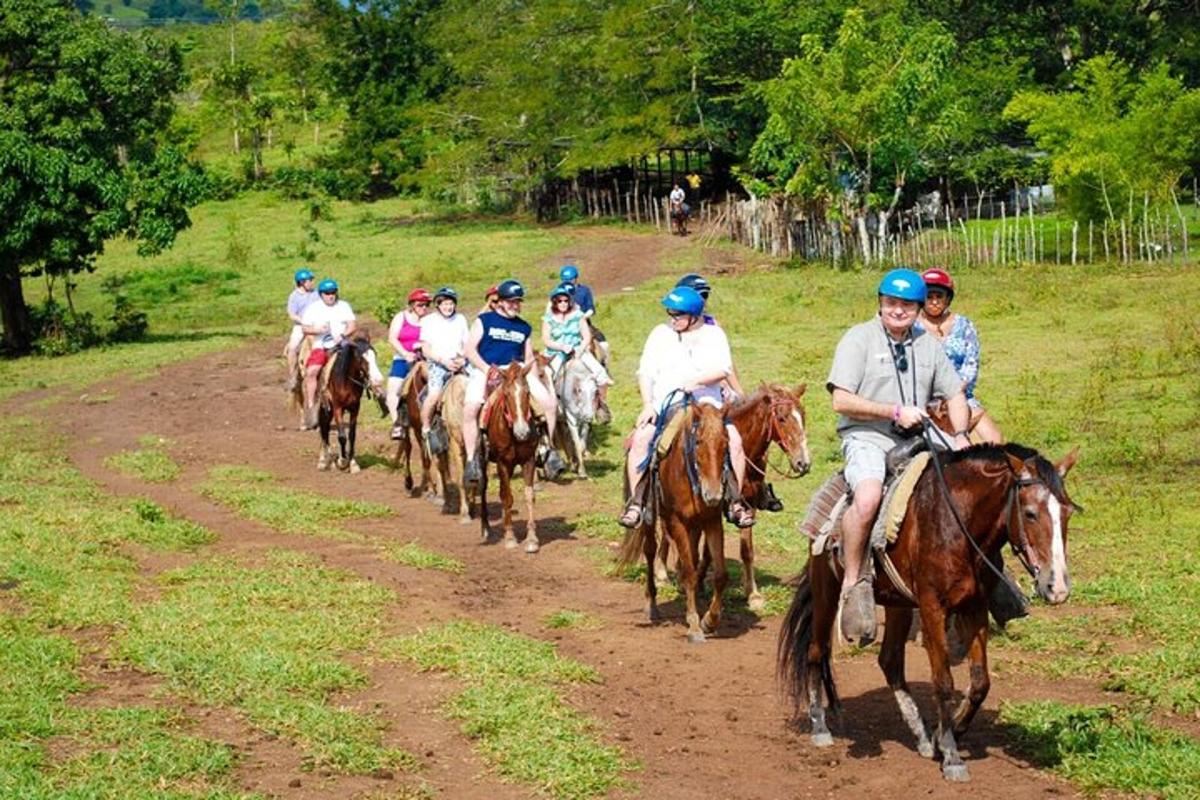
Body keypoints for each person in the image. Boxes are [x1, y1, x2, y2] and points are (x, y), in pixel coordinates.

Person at [826, 268, 971, 645]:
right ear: (880, 303)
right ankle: (853, 582)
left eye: (907, 305)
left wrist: (959, 434)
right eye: (891, 302)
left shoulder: (928, 344)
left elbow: (955, 394)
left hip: (919, 433)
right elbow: (840, 399)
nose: (897, 310)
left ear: (920, 308)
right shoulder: (858, 339)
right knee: (870, 494)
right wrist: (892, 411)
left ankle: (986, 579)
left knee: (967, 488)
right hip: (868, 435)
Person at [617, 286, 756, 529]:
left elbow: (723, 368)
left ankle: (735, 501)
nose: (672, 320)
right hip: (666, 404)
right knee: (641, 440)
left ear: (693, 316)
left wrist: (698, 382)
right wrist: (648, 404)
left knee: (734, 441)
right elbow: (645, 371)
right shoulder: (659, 334)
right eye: (670, 314)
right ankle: (636, 503)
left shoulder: (714, 335)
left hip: (707, 406)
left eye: (678, 315)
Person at [462, 279, 567, 483]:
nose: (515, 305)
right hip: (488, 368)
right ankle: (471, 460)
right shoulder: (484, 320)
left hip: (518, 372)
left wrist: (534, 377)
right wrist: (486, 369)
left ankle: (549, 451)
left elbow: (528, 357)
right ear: (500, 302)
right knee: (470, 408)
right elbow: (469, 350)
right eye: (510, 301)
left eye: (518, 301)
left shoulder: (524, 327)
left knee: (550, 404)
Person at [918, 268, 1002, 444]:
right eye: (929, 296)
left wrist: (955, 392)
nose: (934, 301)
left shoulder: (964, 325)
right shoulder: (913, 327)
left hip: (961, 394)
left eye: (939, 297)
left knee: (994, 440)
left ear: (947, 298)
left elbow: (971, 364)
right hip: (924, 398)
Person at [299, 278, 382, 429]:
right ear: (321, 294)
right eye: (327, 293)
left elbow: (352, 325)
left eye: (333, 292)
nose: (331, 296)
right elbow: (305, 328)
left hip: (342, 344)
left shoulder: (343, 306)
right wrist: (318, 330)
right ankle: (311, 404)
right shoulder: (313, 308)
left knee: (363, 359)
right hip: (322, 346)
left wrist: (343, 335)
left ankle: (378, 393)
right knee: (312, 371)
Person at [542, 283, 613, 410]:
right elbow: (546, 340)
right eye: (559, 301)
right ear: (555, 302)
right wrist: (561, 347)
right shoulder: (548, 319)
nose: (563, 303)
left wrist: (580, 349)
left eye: (566, 300)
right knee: (549, 376)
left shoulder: (578, 316)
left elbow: (586, 336)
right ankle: (554, 407)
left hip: (577, 349)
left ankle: (601, 405)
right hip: (557, 352)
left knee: (600, 373)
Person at [675, 273, 746, 399]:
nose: (702, 300)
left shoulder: (713, 326)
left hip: (711, 385)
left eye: (704, 296)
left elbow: (725, 363)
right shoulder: (673, 329)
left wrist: (739, 392)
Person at [418, 286, 471, 444]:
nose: (448, 307)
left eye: (451, 304)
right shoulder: (428, 321)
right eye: (445, 304)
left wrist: (463, 359)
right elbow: (425, 349)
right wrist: (443, 361)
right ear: (438, 305)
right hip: (438, 363)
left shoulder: (460, 319)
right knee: (434, 395)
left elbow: (466, 343)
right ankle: (426, 427)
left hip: (459, 362)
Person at [386, 288, 431, 439]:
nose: (423, 308)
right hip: (402, 359)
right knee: (394, 389)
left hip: (423, 359)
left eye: (426, 305)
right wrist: (405, 354)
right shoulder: (401, 317)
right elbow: (392, 338)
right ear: (412, 305)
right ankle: (397, 424)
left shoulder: (429, 321)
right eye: (420, 305)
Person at [284, 269, 318, 391]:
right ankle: (293, 376)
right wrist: (304, 320)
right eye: (309, 280)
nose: (312, 283)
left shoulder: (316, 294)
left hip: (317, 324)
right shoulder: (294, 296)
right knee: (292, 348)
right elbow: (292, 314)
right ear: (302, 282)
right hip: (301, 325)